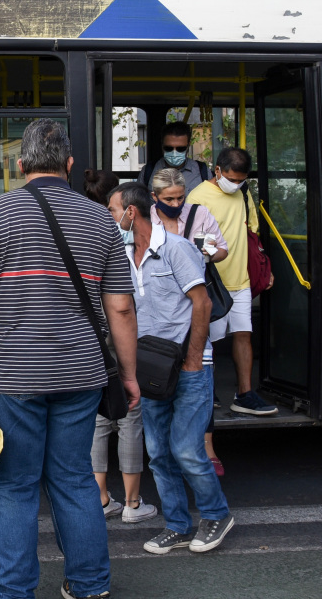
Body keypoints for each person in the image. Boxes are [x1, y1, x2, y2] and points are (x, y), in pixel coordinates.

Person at [0, 119, 139, 599]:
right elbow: (120, 305)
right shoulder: (101, 219)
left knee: (13, 486)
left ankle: (14, 592)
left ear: (20, 164)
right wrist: (130, 374)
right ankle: (91, 585)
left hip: (10, 375)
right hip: (81, 374)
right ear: (70, 165)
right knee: (75, 479)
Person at [107, 181, 234, 556]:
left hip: (190, 365)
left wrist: (194, 358)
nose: (111, 217)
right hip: (151, 369)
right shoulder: (123, 253)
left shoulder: (176, 249)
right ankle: (177, 525)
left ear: (131, 213)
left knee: (186, 449)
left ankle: (216, 515)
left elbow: (203, 304)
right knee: (159, 451)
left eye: (113, 210)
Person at [83, 167, 156, 526]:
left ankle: (100, 498)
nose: (110, 216)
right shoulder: (122, 241)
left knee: (99, 417)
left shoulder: (92, 238)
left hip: (98, 340)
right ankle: (132, 502)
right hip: (126, 339)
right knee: (129, 417)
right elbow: (124, 306)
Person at [151, 167, 230, 476]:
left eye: (180, 197)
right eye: (169, 198)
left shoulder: (199, 214)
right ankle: (170, 453)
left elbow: (222, 250)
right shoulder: (147, 218)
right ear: (154, 197)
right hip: (159, 309)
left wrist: (211, 252)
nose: (176, 203)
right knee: (161, 380)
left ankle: (206, 447)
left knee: (200, 381)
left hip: (195, 301)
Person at [187, 148, 278, 416]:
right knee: (208, 341)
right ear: (217, 170)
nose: (235, 184)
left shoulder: (241, 193)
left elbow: (250, 232)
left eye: (241, 180)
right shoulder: (198, 197)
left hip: (241, 279)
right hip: (212, 283)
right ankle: (207, 391)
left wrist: (263, 268)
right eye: (231, 178)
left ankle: (245, 393)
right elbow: (195, 238)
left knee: (243, 335)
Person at [137, 122, 210, 192]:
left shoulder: (202, 171)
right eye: (168, 148)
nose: (174, 153)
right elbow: (138, 201)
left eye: (180, 149)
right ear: (162, 145)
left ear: (188, 145)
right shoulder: (148, 171)